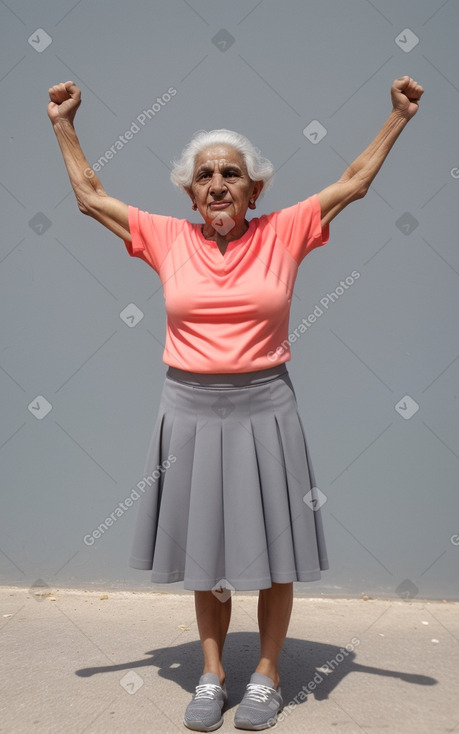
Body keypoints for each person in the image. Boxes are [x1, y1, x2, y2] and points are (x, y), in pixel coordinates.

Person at [47, 75, 423, 732]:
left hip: (264, 407)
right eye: (204, 175)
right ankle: (212, 674)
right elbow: (89, 198)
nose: (217, 182)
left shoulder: (286, 231)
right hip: (187, 410)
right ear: (190, 193)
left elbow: (354, 179)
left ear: (254, 189)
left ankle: (266, 676)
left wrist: (396, 116)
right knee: (206, 552)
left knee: (275, 552)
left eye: (230, 173)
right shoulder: (168, 238)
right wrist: (63, 124)